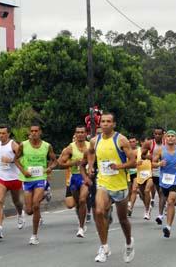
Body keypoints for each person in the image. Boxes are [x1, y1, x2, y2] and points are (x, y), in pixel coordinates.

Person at [81, 113, 136, 263]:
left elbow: (133, 162)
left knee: (123, 220)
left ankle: (129, 243)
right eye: (103, 121)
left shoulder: (121, 140)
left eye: (108, 121)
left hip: (120, 185)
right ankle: (104, 247)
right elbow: (91, 153)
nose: (105, 124)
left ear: (114, 124)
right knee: (98, 211)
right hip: (103, 182)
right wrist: (91, 166)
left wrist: (119, 166)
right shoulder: (94, 140)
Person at [14, 123, 57, 245]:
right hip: (27, 179)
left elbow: (55, 161)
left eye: (36, 131)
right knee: (29, 210)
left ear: (40, 132)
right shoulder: (23, 145)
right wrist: (23, 171)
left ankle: (34, 235)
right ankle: (46, 193)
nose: (34, 133)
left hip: (40, 178)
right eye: (32, 131)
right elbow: (15, 160)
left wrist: (50, 168)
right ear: (29, 132)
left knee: (36, 205)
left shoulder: (47, 146)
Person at [58, 125, 90, 237]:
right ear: (75, 134)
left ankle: (81, 228)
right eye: (78, 132)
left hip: (86, 177)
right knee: (76, 203)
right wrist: (72, 163)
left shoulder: (91, 146)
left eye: (82, 132)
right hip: (74, 177)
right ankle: (82, 216)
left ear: (86, 134)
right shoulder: (70, 148)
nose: (80, 134)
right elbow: (60, 164)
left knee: (82, 200)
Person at [154, 130, 176, 238]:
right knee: (170, 200)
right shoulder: (160, 150)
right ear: (165, 138)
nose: (171, 138)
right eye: (169, 136)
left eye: (173, 136)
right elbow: (152, 164)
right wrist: (159, 163)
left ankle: (168, 227)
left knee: (170, 201)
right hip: (164, 180)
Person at [0, 124, 24, 239]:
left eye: (3, 133)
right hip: (2, 178)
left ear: (8, 134)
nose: (1, 135)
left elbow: (22, 158)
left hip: (14, 178)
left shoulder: (13, 144)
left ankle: (20, 213)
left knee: (17, 201)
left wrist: (10, 160)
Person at [141, 128, 165, 224]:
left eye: (159, 134)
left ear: (163, 134)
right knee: (147, 190)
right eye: (156, 134)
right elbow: (143, 155)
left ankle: (160, 214)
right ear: (153, 134)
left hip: (164, 170)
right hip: (153, 170)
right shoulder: (149, 143)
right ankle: (147, 210)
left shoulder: (167, 143)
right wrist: (151, 157)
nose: (157, 136)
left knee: (161, 192)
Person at [126, 136, 140, 216]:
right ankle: (128, 204)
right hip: (128, 173)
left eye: (133, 141)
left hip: (137, 172)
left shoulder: (139, 150)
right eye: (130, 142)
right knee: (128, 191)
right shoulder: (126, 151)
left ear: (136, 142)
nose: (132, 143)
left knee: (134, 190)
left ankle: (130, 207)